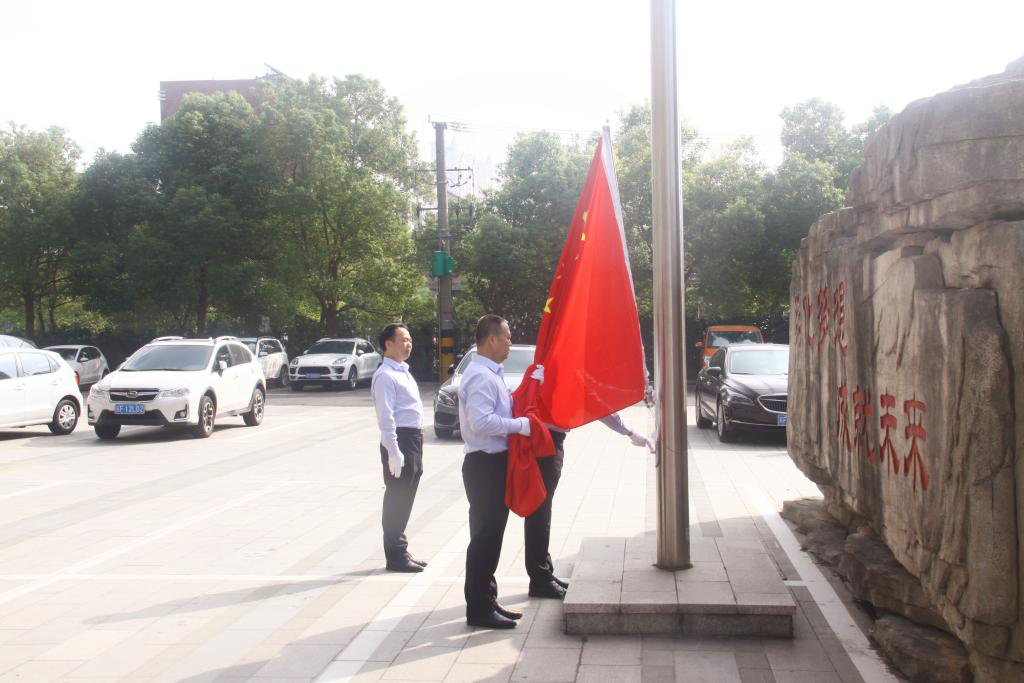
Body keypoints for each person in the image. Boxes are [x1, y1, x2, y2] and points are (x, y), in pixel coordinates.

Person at [525, 398, 654, 598]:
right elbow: (597, 405)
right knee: (540, 511)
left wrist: (629, 432)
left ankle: (543, 573)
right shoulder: (562, 378)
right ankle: (540, 579)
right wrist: (629, 432)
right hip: (544, 441)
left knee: (541, 510)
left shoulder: (551, 377)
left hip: (544, 438)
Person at [459, 314, 532, 629]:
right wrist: (519, 426)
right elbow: (481, 422)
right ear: (491, 339)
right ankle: (478, 609)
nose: (510, 342)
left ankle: (487, 600)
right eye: (507, 336)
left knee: (490, 538)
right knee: (485, 539)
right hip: (485, 466)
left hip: (492, 464)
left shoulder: (490, 373)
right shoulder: (481, 376)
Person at [371, 323, 427, 573]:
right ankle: (395, 556)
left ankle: (400, 549)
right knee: (397, 496)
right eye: (403, 340)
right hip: (400, 440)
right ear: (388, 344)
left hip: (413, 439)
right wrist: (393, 450)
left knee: (406, 495)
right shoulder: (386, 375)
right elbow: (386, 417)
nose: (408, 344)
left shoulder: (403, 371)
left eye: (410, 340)